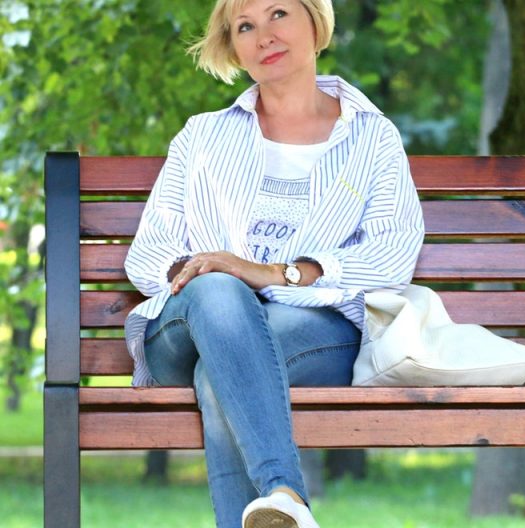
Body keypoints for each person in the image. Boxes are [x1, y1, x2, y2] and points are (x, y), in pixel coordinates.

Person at [123, 0, 424, 526]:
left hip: (311, 334)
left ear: (316, 22)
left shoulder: (372, 139)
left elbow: (393, 252)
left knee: (223, 370)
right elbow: (150, 250)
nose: (264, 35)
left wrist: (278, 275)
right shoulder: (202, 136)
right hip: (184, 327)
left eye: (278, 13)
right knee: (219, 295)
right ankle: (285, 489)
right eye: (245, 26)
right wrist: (218, 279)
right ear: (234, 48)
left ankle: (280, 503)